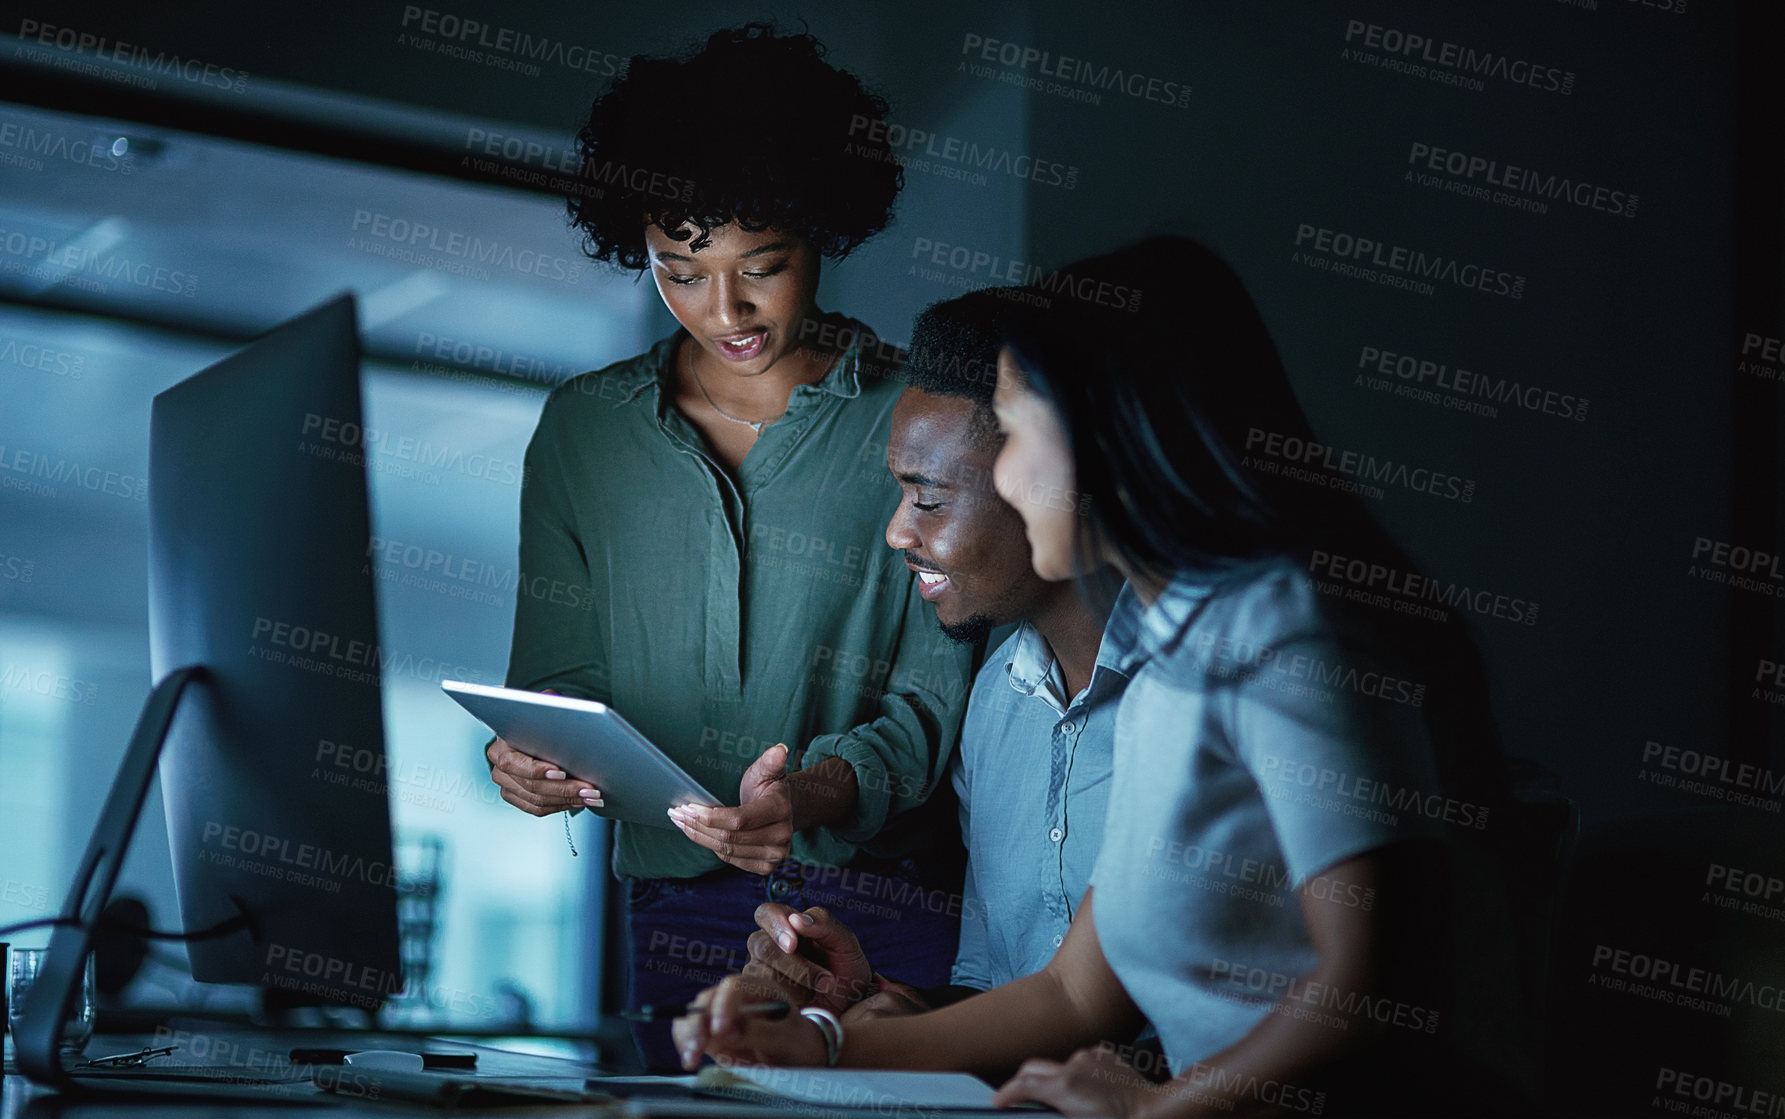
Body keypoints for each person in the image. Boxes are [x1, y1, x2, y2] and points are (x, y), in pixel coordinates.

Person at [674, 237, 1536, 1115]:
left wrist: (1156, 1109)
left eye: (1021, 435)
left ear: (1104, 445)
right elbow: (1071, 994)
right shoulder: (1168, 668)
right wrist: (817, 1038)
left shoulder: (1276, 630)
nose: (1009, 471)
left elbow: (1367, 991)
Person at [483, 24, 975, 1070]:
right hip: (674, 906)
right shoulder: (586, 430)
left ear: (824, 236)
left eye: (765, 267)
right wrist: (525, 762)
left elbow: (937, 703)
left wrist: (809, 797)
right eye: (679, 269)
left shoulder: (921, 422)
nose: (727, 311)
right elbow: (560, 682)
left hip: (879, 902)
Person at [740, 290, 1138, 1023]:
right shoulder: (996, 702)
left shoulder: (1201, 692)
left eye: (927, 501)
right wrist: (866, 997)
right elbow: (1003, 998)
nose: (896, 532)